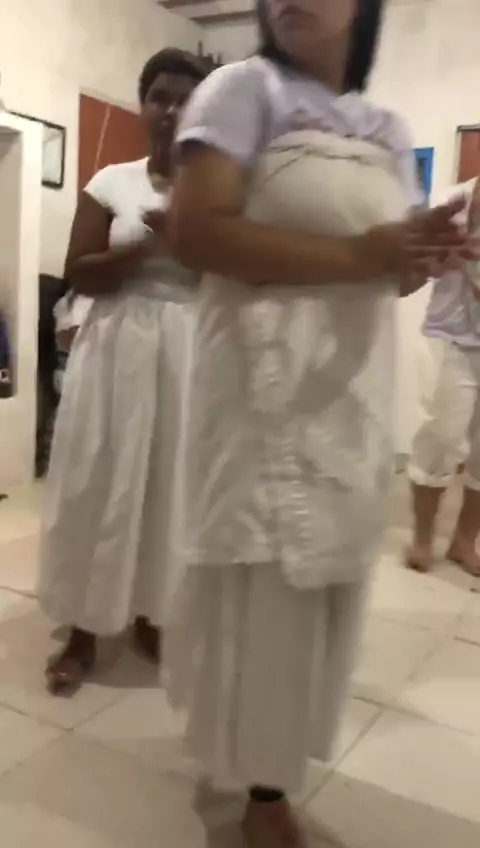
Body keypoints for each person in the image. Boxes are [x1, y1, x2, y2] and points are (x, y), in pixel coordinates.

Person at [153, 3, 471, 846]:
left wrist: (420, 256)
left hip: (349, 390)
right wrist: (363, 256)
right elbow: (197, 233)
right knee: (262, 591)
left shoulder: (390, 128)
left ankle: (273, 757)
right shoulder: (240, 90)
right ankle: (257, 787)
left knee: (322, 591)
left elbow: (392, 276)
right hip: (256, 390)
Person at [37, 48, 207, 694]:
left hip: (187, 352)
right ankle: (83, 631)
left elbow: (231, 283)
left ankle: (151, 615)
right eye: (160, 96)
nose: (172, 110)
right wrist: (150, 246)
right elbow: (79, 272)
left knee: (168, 488)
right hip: (114, 347)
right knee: (98, 481)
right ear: (143, 105)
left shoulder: (219, 194)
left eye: (186, 99)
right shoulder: (111, 181)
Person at [407, 175, 480, 575]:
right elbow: (415, 271)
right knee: (440, 438)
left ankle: (464, 542)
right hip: (449, 337)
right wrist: (438, 258)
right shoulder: (449, 203)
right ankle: (422, 537)